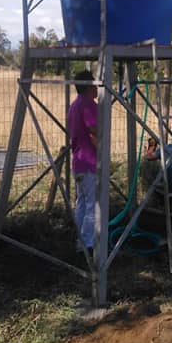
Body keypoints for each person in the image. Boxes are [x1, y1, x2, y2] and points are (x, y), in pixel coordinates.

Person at [67, 69, 98, 252]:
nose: (96, 86)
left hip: (77, 161)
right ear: (88, 86)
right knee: (92, 205)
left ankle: (79, 241)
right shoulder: (88, 104)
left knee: (81, 203)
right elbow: (94, 130)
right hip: (89, 162)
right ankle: (88, 245)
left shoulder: (74, 105)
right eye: (94, 83)